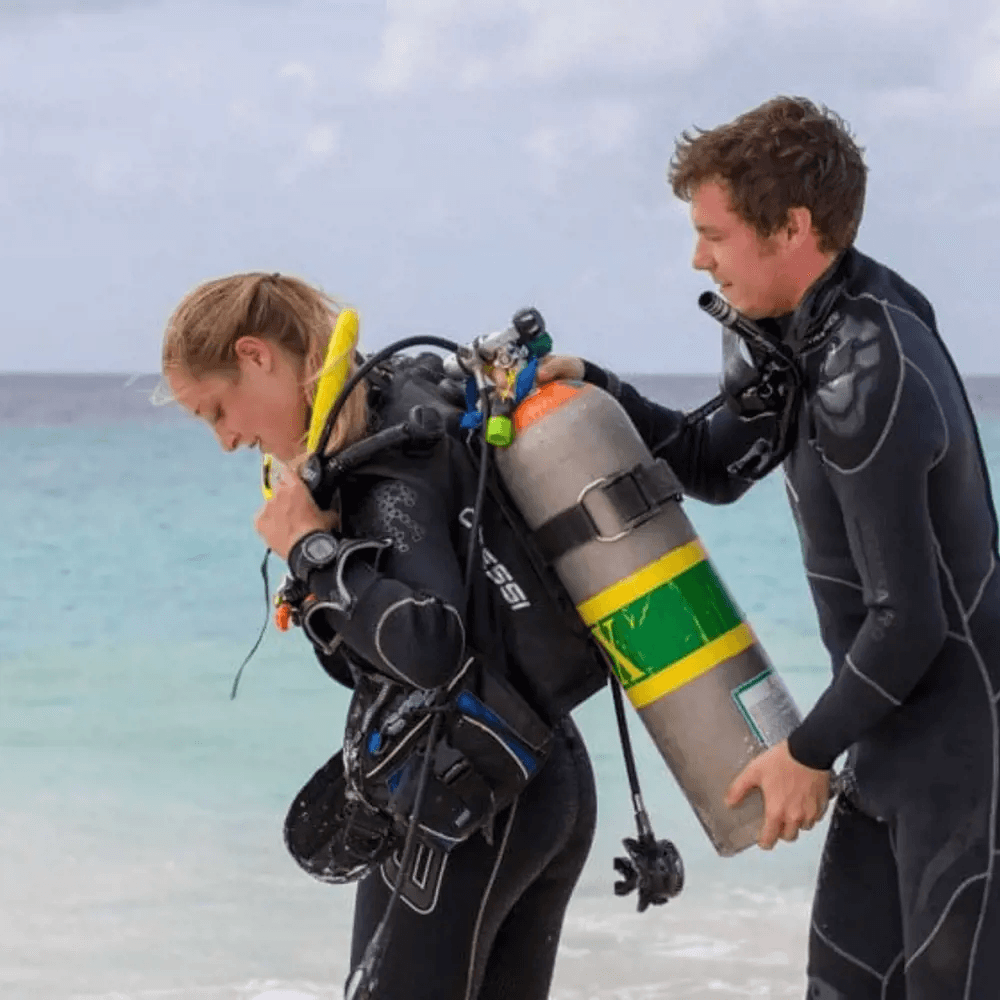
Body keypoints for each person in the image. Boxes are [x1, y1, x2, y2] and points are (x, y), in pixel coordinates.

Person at [539, 95, 1000, 998]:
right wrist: (597, 389)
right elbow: (717, 464)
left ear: (792, 226)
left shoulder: (871, 365)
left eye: (714, 234)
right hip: (885, 755)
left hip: (966, 767)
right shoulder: (798, 337)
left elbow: (908, 620)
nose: (698, 258)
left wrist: (804, 754)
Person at [160, 273, 606, 1000]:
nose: (226, 440)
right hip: (533, 775)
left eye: (217, 410)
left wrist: (309, 550)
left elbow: (431, 646)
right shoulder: (405, 396)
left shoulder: (385, 457)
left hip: (471, 801)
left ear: (256, 356)